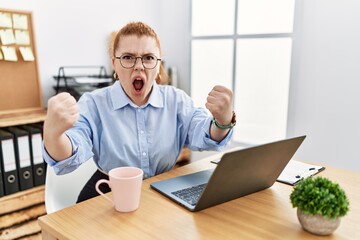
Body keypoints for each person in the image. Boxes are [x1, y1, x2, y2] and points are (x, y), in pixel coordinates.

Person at [42, 21, 236, 203]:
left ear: (158, 64)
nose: (139, 66)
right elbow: (71, 152)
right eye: (127, 57)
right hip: (106, 193)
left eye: (148, 58)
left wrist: (223, 120)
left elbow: (204, 134)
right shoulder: (93, 103)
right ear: (114, 64)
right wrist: (53, 135)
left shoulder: (176, 100)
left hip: (160, 190)